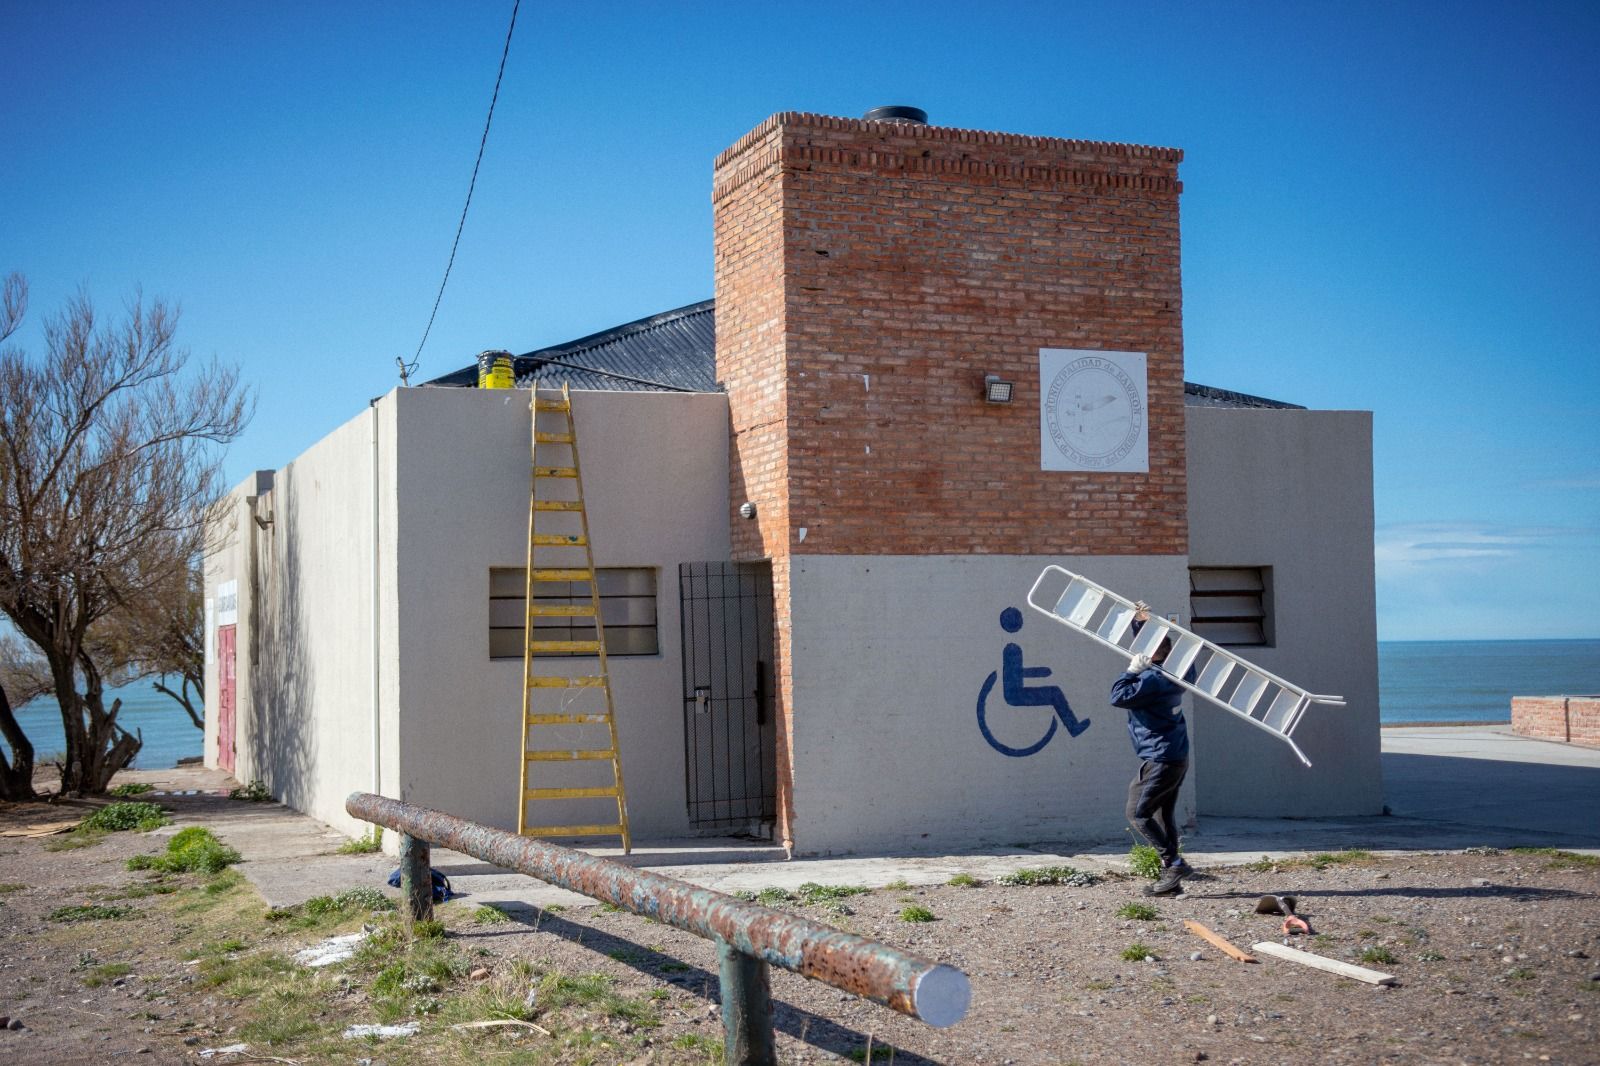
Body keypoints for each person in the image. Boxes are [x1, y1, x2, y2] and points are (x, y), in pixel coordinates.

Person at [1110, 601, 1193, 897]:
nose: (1139, 651)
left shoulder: (1151, 680)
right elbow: (1155, 647)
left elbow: (1118, 696)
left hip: (1160, 758)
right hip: (1176, 755)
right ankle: (1172, 880)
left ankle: (1173, 863)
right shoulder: (1179, 673)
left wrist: (1131, 671)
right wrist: (1141, 621)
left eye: (1146, 647)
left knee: (1138, 813)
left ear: (1158, 654)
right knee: (1162, 816)